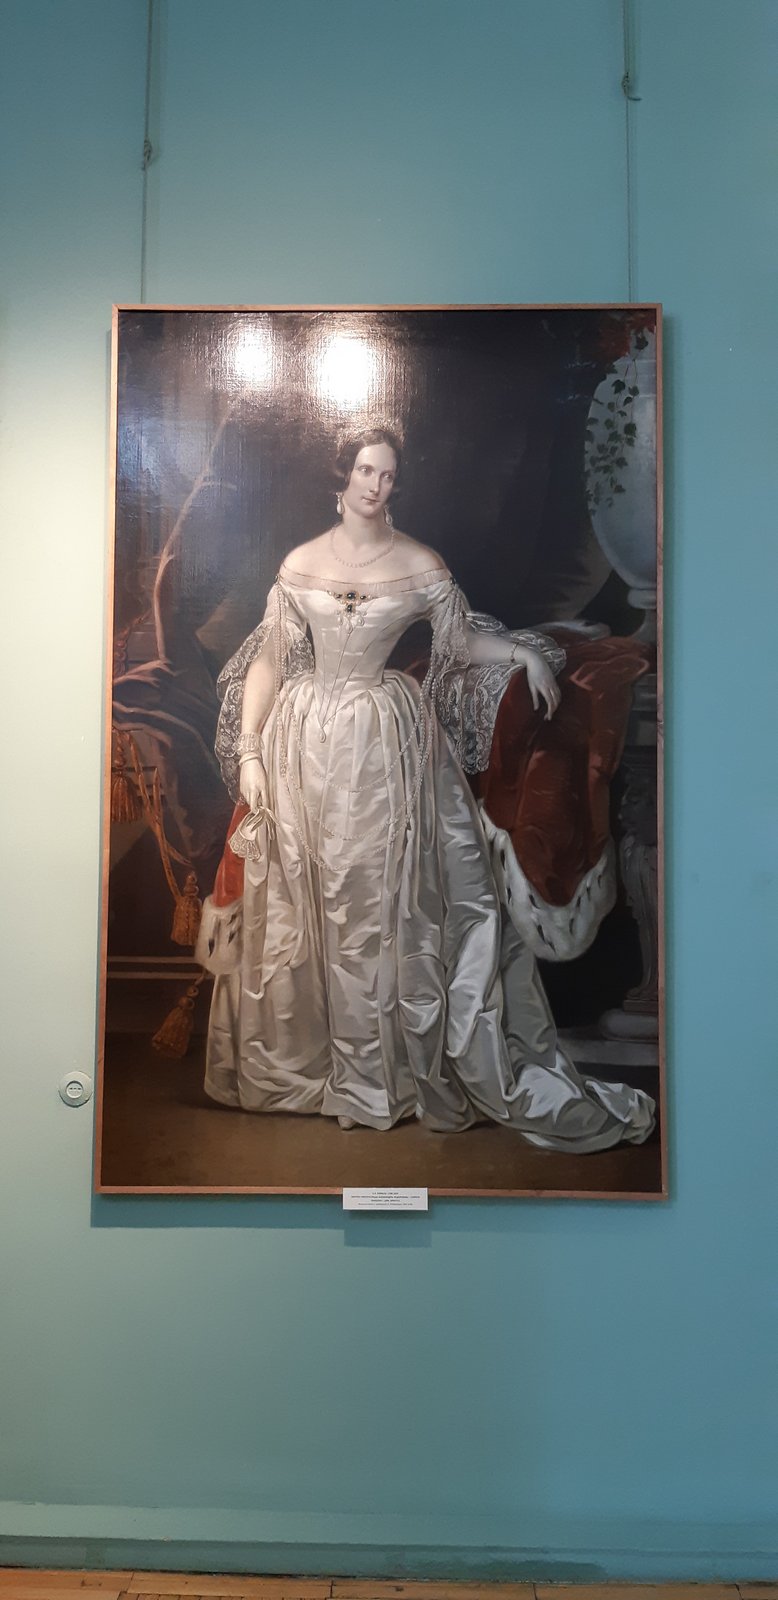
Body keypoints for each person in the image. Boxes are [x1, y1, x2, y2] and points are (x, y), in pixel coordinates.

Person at [196, 427, 655, 1150]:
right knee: (302, 895)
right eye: (366, 471)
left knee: (375, 899)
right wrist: (251, 751)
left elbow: (458, 642)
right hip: (300, 741)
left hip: (382, 742)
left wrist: (522, 654)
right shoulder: (301, 561)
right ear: (343, 477)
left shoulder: (418, 561)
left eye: (387, 475)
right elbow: (271, 661)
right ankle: (307, 1062)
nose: (376, 485)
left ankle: (377, 1071)